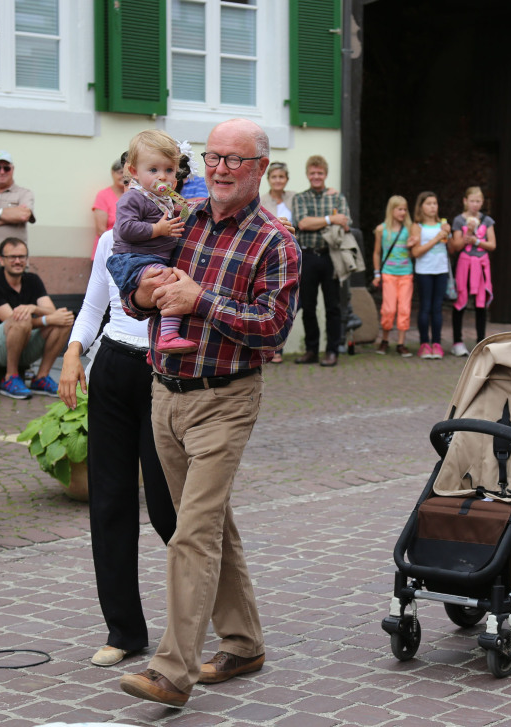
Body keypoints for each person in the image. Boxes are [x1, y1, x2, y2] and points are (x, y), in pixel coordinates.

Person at [117, 118, 300, 707]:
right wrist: (145, 294)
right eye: (213, 156)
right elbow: (135, 293)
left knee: (192, 533)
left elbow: (273, 328)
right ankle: (244, 643)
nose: (219, 168)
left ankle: (172, 671)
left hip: (225, 398)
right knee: (210, 522)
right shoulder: (184, 218)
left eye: (235, 160)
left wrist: (204, 300)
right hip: (164, 392)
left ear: (261, 171)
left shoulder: (277, 240)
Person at [59, 227, 177, 667]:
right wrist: (74, 352)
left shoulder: (181, 237)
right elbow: (94, 306)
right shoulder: (111, 239)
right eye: (148, 170)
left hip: (161, 372)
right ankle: (124, 631)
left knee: (170, 510)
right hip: (111, 366)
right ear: (131, 175)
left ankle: (211, 617)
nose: (157, 181)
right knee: (109, 504)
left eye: (168, 170)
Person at [106, 130, 195, 355]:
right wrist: (158, 229)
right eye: (153, 170)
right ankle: (167, 337)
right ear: (135, 171)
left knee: (166, 292)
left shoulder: (165, 199)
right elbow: (125, 229)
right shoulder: (133, 197)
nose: (162, 177)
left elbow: (190, 210)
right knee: (171, 286)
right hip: (132, 260)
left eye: (168, 170)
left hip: (152, 260)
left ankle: (155, 347)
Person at [0, 238, 74, 399]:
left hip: (25, 341)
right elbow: (13, 320)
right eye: (12, 257)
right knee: (21, 318)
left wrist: (35, 308)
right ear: (1, 260)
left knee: (64, 319)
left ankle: (41, 378)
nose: (18, 261)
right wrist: (46, 319)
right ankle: (11, 377)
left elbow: (51, 311)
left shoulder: (32, 280)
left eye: (22, 257)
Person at [292, 155, 351, 367]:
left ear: (325, 174)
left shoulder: (337, 197)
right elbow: (303, 223)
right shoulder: (300, 198)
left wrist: (334, 220)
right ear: (308, 174)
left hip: (331, 256)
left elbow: (344, 222)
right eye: (313, 173)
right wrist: (330, 219)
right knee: (308, 306)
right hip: (308, 256)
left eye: (320, 173)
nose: (316, 176)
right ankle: (311, 350)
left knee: (332, 306)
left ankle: (332, 351)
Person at [449, 186, 496, 357]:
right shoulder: (458, 221)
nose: (475, 204)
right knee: (460, 301)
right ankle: (457, 341)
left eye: (478, 201)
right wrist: (467, 232)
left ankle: (481, 341)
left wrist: (477, 241)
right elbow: (455, 246)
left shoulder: (487, 221)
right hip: (464, 266)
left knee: (481, 303)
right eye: (472, 201)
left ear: (482, 202)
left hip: (481, 267)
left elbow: (492, 245)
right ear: (465, 201)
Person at [408, 191, 452, 359]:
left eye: (435, 203)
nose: (433, 207)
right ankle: (424, 344)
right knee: (425, 307)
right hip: (424, 271)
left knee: (437, 308)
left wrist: (449, 233)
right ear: (421, 207)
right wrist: (436, 238)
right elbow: (416, 252)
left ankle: (437, 344)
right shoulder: (417, 226)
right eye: (428, 204)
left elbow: (452, 247)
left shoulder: (443, 225)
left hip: (441, 270)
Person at [260, 161, 295, 363]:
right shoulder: (262, 201)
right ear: (269, 179)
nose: (278, 180)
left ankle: (279, 343)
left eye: (281, 177)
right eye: (274, 177)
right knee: (273, 299)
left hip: (292, 255)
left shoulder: (294, 198)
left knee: (291, 303)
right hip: (273, 256)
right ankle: (273, 349)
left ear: (286, 179)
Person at [371, 195, 413, 357]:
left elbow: (413, 254)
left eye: (405, 209)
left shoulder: (409, 229)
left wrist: (411, 246)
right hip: (388, 273)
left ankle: (401, 343)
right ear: (392, 210)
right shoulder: (382, 229)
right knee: (388, 309)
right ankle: (385, 340)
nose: (403, 212)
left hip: (406, 274)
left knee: (404, 308)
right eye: (399, 209)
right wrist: (377, 273)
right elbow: (376, 253)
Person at [0, 150, 35, 255]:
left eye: (6, 168)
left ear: (13, 169)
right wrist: (12, 218)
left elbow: (23, 215)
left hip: (14, 260)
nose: (2, 172)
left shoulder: (24, 193)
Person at [92, 158, 127, 258]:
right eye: (120, 172)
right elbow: (100, 230)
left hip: (128, 254)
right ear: (113, 173)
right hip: (107, 252)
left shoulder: (134, 196)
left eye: (127, 173)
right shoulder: (103, 195)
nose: (123, 176)